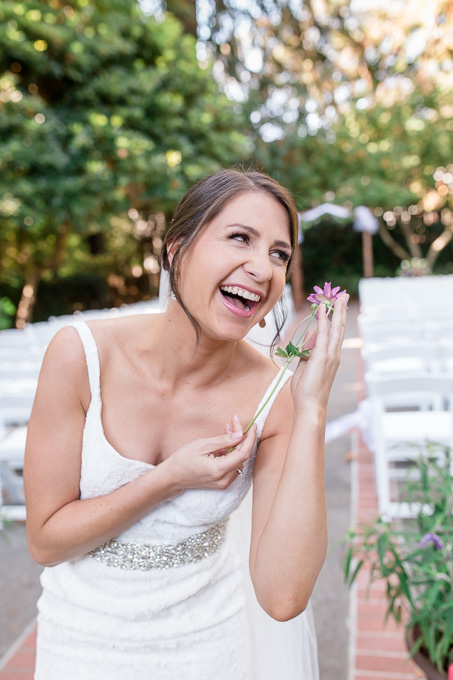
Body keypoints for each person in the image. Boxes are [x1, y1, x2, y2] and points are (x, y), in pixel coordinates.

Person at [24, 168, 348, 680]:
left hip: (208, 649)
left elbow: (283, 597)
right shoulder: (80, 356)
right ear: (177, 250)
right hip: (80, 646)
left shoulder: (274, 397)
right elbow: (45, 541)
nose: (262, 268)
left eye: (279, 254)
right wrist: (170, 478)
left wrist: (311, 410)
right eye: (240, 237)